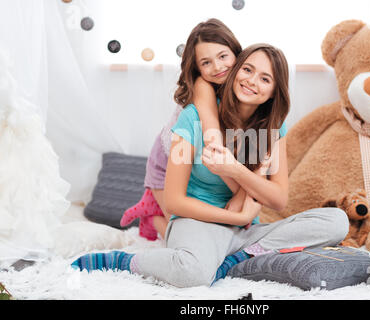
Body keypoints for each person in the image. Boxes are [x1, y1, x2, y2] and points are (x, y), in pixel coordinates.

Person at [71, 44, 349, 288]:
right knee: (194, 274)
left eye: (265, 79)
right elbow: (175, 202)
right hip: (198, 222)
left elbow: (278, 199)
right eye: (248, 70)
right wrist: (237, 217)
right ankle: (125, 261)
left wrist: (234, 169)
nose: (252, 81)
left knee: (337, 221)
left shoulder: (273, 129)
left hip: (246, 234)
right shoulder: (193, 118)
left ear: (274, 91)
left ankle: (239, 258)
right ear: (236, 69)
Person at [120, 18, 243, 241]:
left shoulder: (243, 85)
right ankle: (151, 217)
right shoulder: (202, 86)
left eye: (223, 56)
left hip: (197, 163)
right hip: (168, 160)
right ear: (196, 68)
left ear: (236, 52)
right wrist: (240, 190)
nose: (217, 67)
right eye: (206, 63)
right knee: (179, 236)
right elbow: (212, 138)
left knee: (210, 232)